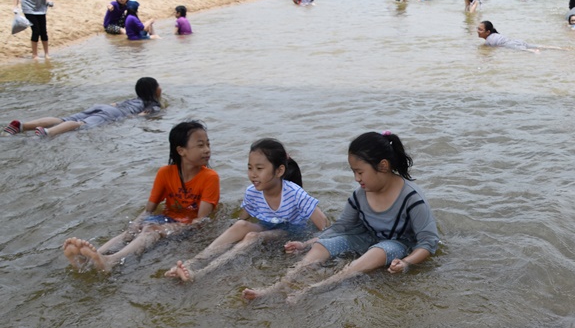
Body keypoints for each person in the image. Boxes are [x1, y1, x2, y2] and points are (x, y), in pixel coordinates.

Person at [242, 131, 439, 302]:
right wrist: (307, 243)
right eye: (354, 172)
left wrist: (406, 262)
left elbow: (428, 242)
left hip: (398, 244)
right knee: (321, 245)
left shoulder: (412, 199)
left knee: (378, 251)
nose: (356, 178)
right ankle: (276, 287)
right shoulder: (360, 195)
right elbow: (342, 227)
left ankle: (314, 290)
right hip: (363, 237)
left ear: (383, 166)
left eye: (360, 172)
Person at [62, 120, 219, 272]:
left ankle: (112, 261)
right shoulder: (164, 173)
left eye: (208, 144)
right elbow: (149, 210)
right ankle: (91, 258)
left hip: (188, 227)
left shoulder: (210, 177)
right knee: (133, 230)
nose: (207, 149)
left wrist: (165, 229)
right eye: (200, 145)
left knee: (151, 229)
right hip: (167, 218)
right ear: (181, 151)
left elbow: (200, 221)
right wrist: (135, 224)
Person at [166, 138, 330, 282]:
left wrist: (308, 243)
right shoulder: (252, 192)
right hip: (268, 224)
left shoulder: (295, 194)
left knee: (252, 236)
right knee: (239, 227)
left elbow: (325, 225)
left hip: (292, 231)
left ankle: (203, 273)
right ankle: (190, 264)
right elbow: (241, 219)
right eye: (250, 168)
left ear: (279, 171)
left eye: (259, 169)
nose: (253, 174)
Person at [3, 77, 162, 138]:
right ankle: (48, 132)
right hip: (114, 113)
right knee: (81, 125)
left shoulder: (132, 98)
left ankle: (21, 126)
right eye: (158, 85)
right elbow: (142, 116)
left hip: (104, 106)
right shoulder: (153, 105)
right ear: (154, 90)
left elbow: (115, 104)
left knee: (65, 119)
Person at [476, 20, 562, 52]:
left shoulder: (488, 41)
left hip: (511, 45)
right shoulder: (495, 35)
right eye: (478, 28)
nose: (478, 31)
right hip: (516, 41)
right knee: (539, 46)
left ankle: (535, 52)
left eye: (480, 29)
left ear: (488, 32)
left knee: (531, 51)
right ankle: (558, 48)